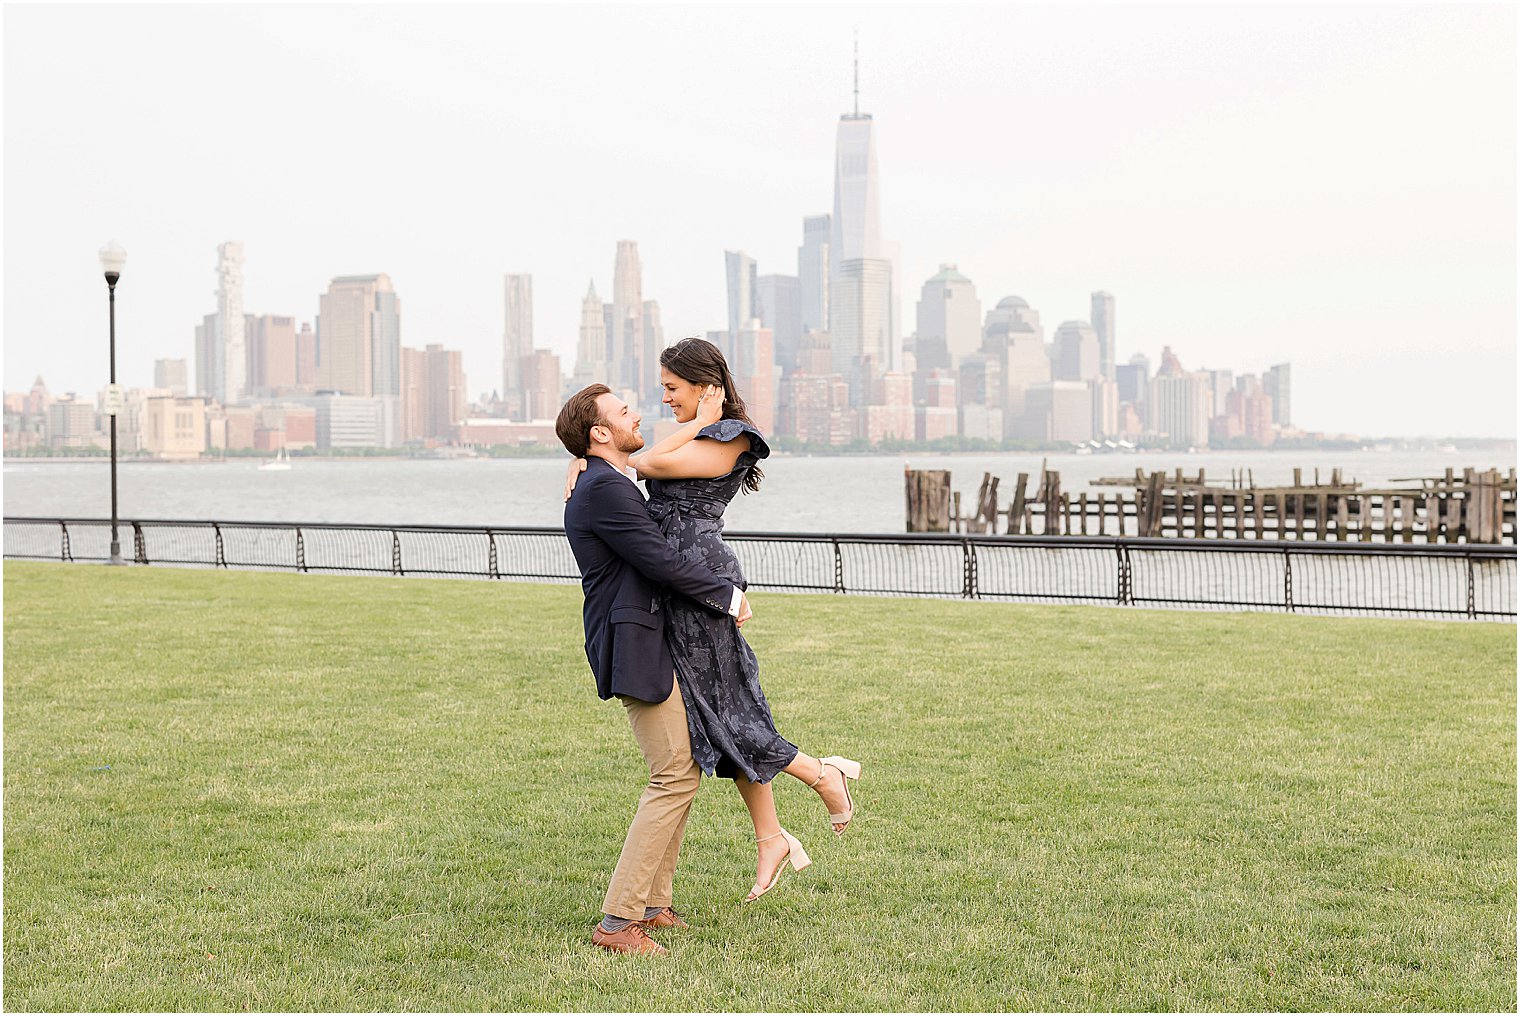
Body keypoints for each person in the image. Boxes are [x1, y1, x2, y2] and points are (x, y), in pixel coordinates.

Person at [564, 337, 861, 905]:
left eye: (672, 389)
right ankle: (772, 832)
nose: (663, 400)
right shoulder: (683, 436)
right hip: (669, 589)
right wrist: (589, 458)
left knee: (729, 704)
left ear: (705, 387)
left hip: (699, 578)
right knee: (710, 717)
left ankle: (820, 778)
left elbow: (645, 462)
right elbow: (634, 466)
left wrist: (602, 455)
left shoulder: (732, 436)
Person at [556, 383, 753, 957]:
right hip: (635, 644)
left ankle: (654, 905)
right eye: (622, 412)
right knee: (673, 773)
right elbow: (661, 559)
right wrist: (729, 596)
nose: (636, 411)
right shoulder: (603, 491)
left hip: (648, 638)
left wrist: (579, 458)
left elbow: (651, 459)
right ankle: (619, 921)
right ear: (599, 433)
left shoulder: (603, 480)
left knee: (682, 766)